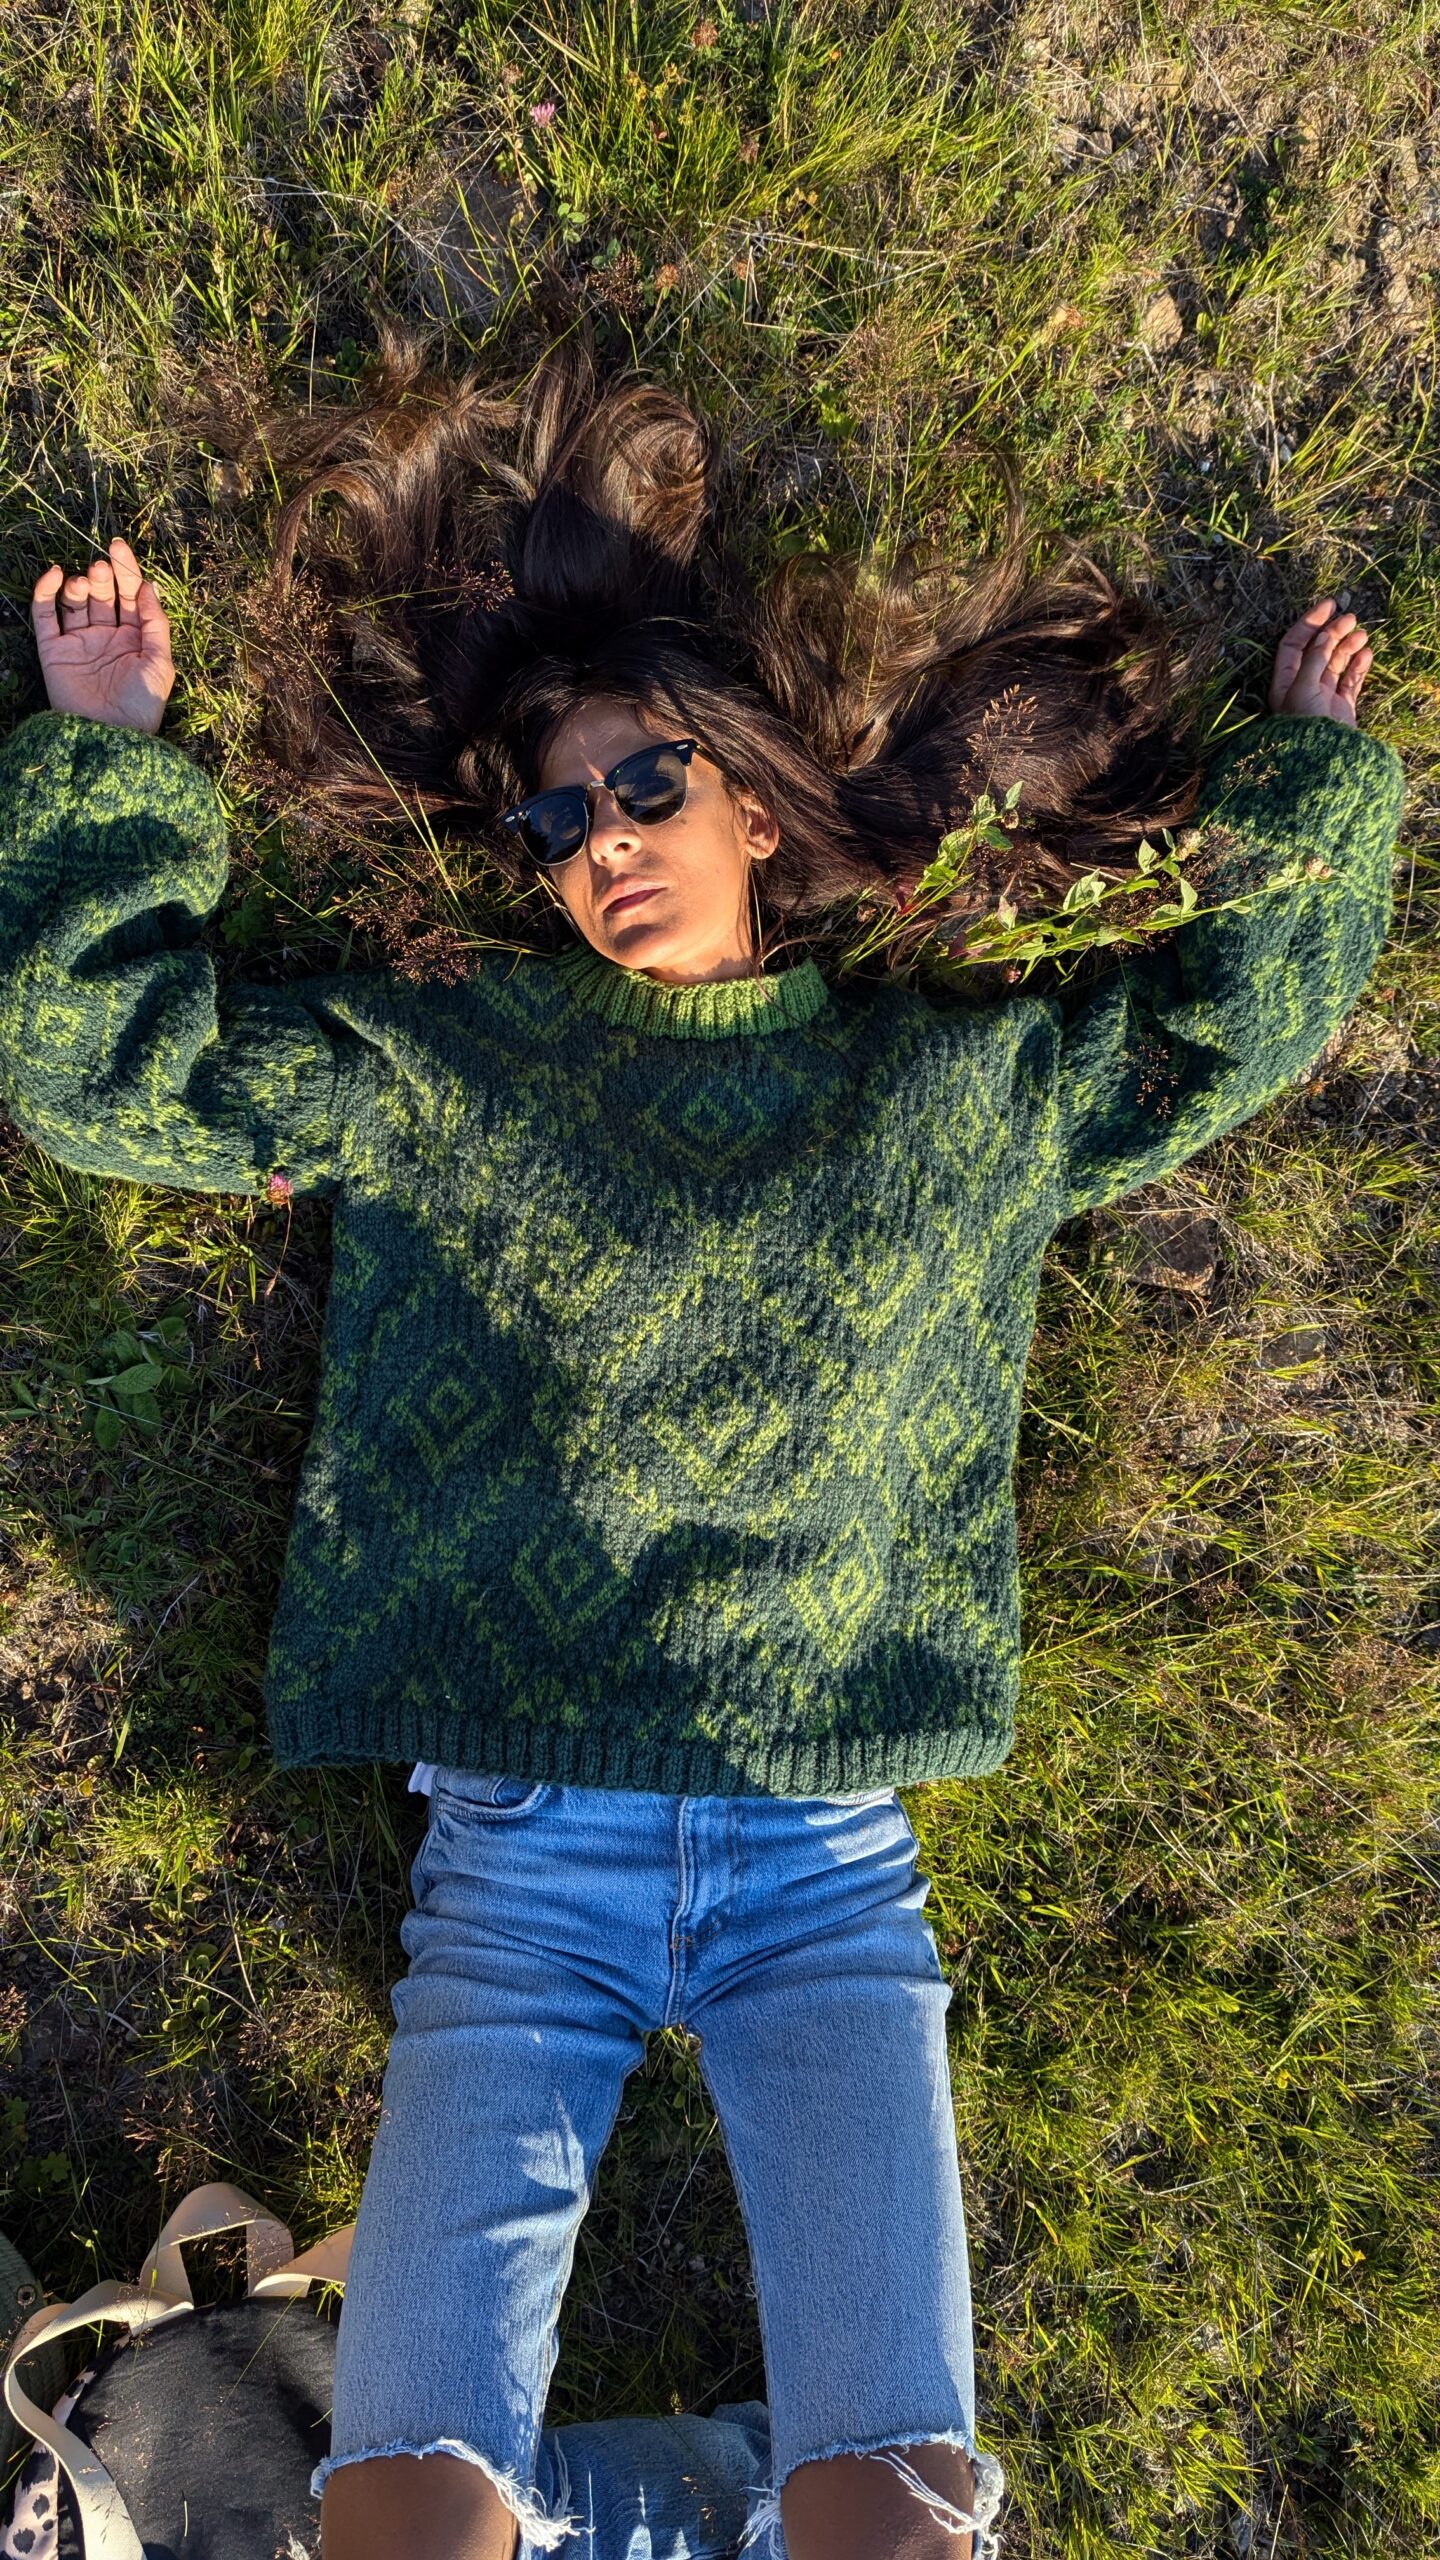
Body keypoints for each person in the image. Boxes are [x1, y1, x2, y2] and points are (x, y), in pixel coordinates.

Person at [0, 330, 1401, 2560]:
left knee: (878, 2519)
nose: (603, 844)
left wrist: (1315, 785)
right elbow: (113, 1074)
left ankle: (696, 2509)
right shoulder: (450, 1066)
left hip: (819, 1859)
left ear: (752, 797)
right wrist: (104, 760)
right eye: (554, 821)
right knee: (440, 2529)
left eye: (644, 787)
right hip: (520, 1867)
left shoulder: (942, 1093)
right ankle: (696, 2506)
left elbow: (1218, 1035)